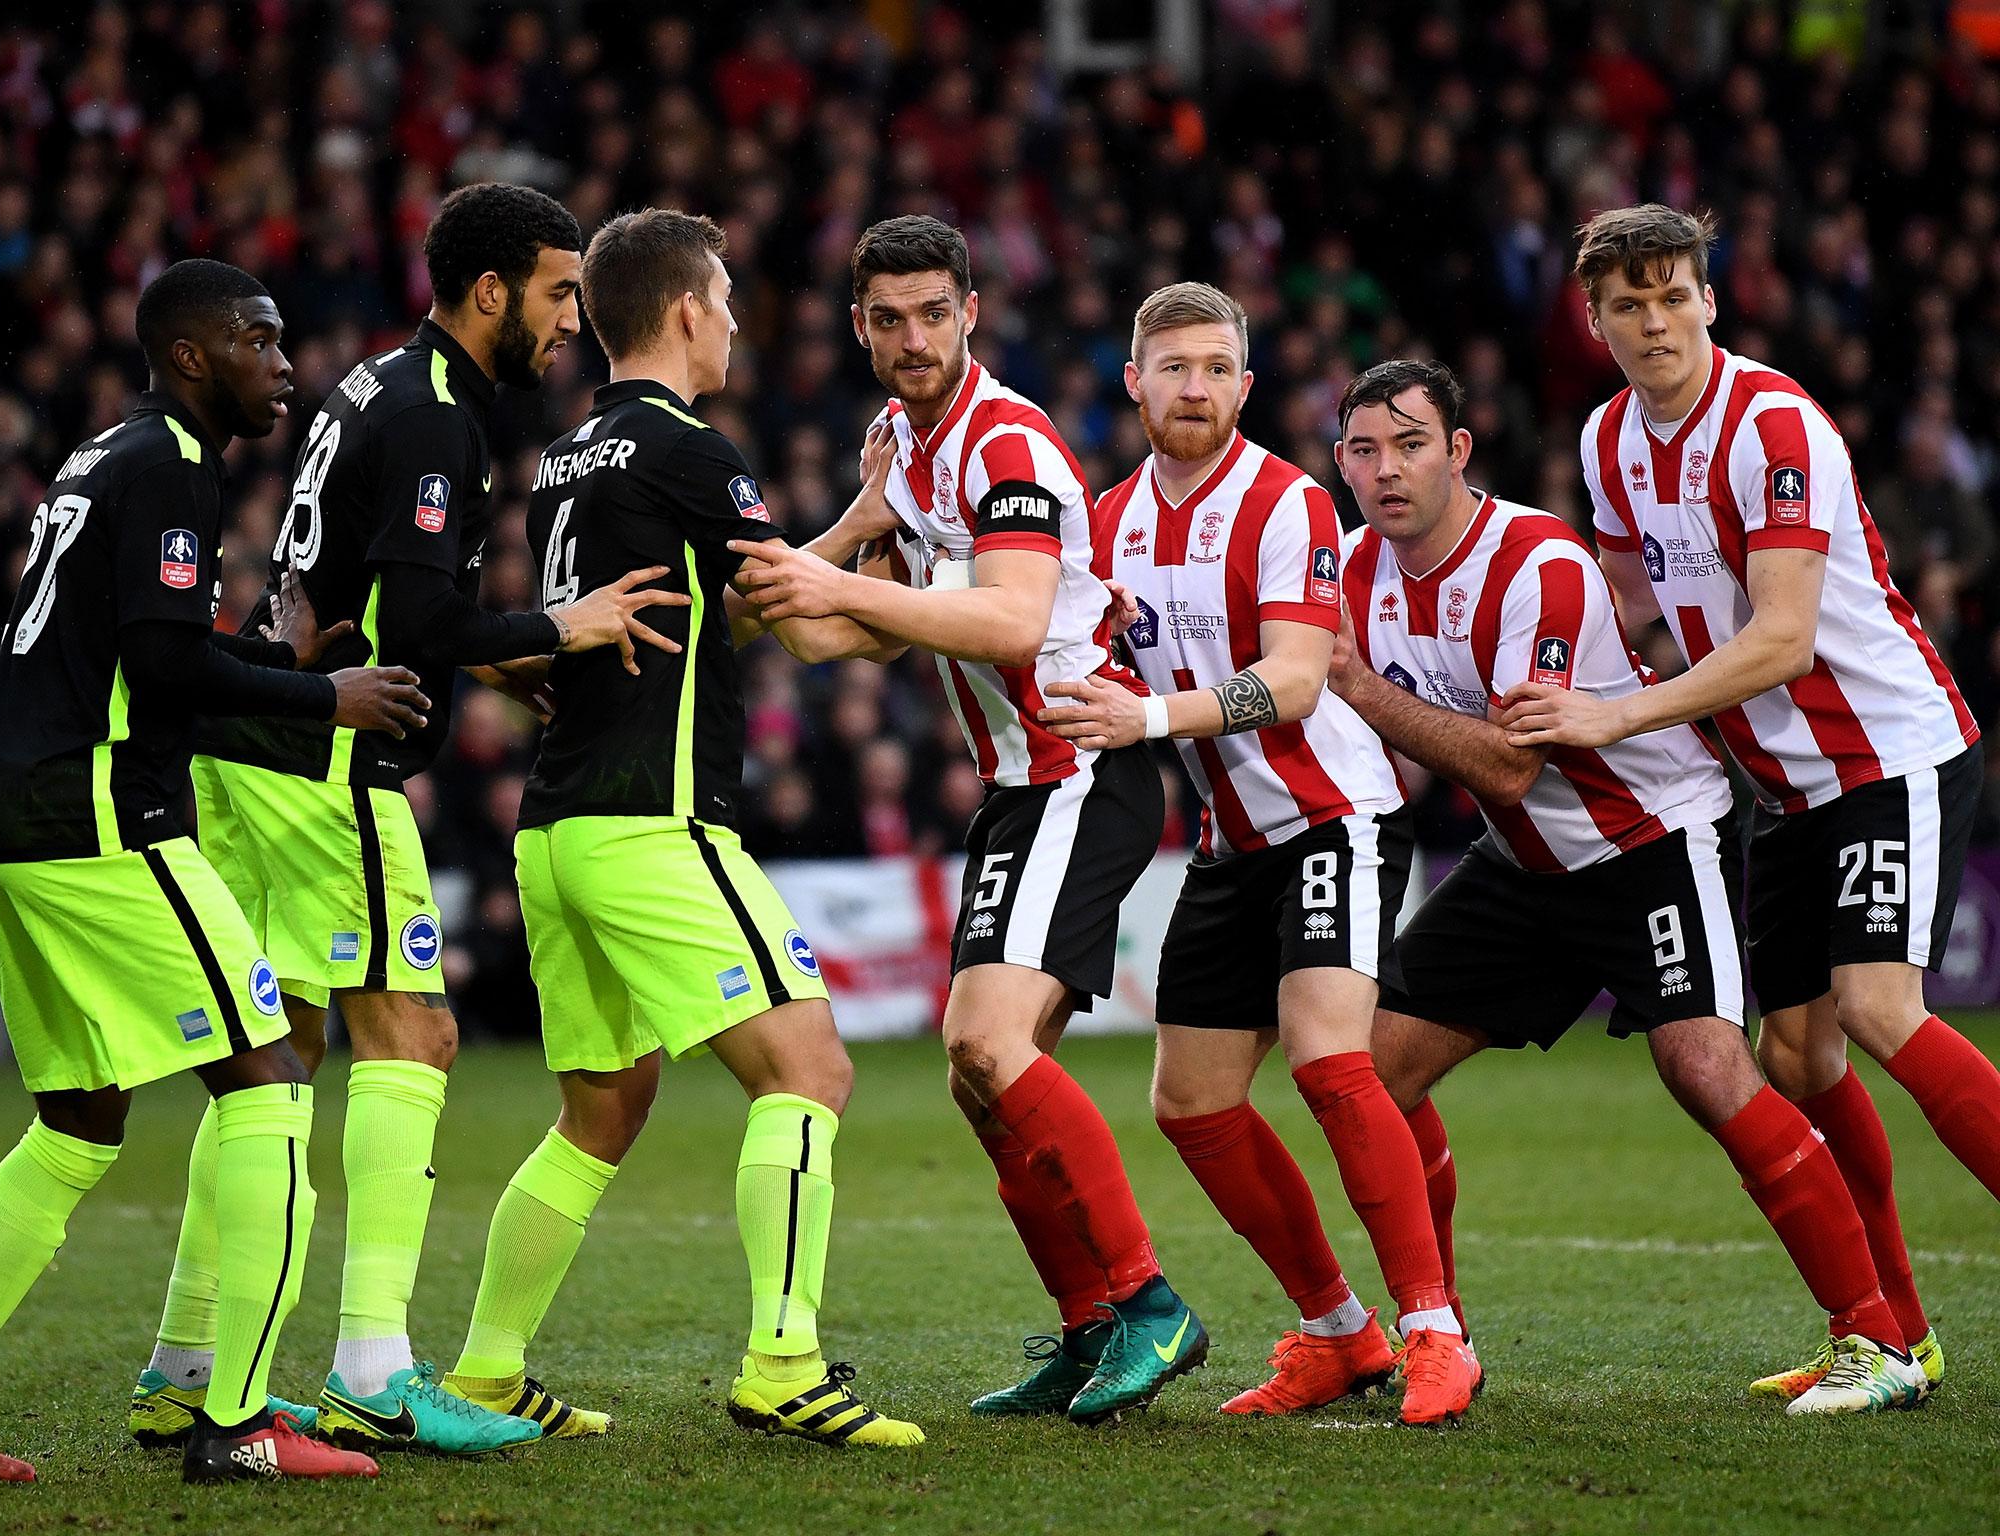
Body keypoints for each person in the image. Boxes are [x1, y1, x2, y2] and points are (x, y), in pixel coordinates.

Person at [126, 185, 684, 1456]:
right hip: (333, 766)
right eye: (554, 293)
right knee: (416, 1033)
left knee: (280, 1059)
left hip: (252, 755)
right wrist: (565, 626)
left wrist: (493, 663)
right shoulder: (441, 425)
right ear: (489, 293)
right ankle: (374, 1365)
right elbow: (417, 631)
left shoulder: (373, 387)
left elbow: (371, 596)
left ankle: (183, 1357)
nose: (568, 322)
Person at [1331, 358, 1927, 1417]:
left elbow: (1512, 762)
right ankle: (1438, 1336)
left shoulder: (1534, 560)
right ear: (1340, 462)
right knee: (1372, 1076)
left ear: (1457, 451)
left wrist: (1352, 684)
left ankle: (1873, 1339)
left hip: (1649, 836)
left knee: (1703, 1065)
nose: (1386, 471)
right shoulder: (1350, 573)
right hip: (1525, 863)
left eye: (1410, 443)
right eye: (1364, 450)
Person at [447, 206, 922, 1449]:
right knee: (809, 1070)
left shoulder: (573, 453)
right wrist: (962, 614)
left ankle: (489, 1370)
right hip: (653, 823)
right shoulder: (691, 449)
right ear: (684, 312)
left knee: (600, 1109)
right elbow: (805, 624)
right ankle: (784, 1361)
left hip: (555, 830)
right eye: (724, 298)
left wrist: (854, 527)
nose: (736, 322)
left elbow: (736, 608)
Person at [0, 259, 426, 1483]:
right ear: (192, 354)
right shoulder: (171, 460)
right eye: (261, 342)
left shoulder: (103, 455)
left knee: (78, 1120)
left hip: (14, 813)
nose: (284, 365)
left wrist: (280, 683)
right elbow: (160, 674)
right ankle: (236, 1422)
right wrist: (324, 697)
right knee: (266, 1080)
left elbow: (144, 654)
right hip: (103, 816)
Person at [731, 216, 1205, 1426]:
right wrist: (804, 570)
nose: (911, 339)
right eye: (886, 318)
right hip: (1016, 782)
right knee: (976, 1076)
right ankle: (1089, 1328)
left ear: (971, 312)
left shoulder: (1005, 442)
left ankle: (1148, 1306)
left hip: (1080, 765)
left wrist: (830, 582)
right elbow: (845, 625)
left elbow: (1006, 621)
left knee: (990, 1045)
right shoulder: (897, 442)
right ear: (857, 327)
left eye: (932, 313)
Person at [1507, 204, 1977, 1399]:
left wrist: (1616, 717)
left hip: (1886, 756)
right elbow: (1629, 609)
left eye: (1673, 294)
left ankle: (1892, 1340)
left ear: (1708, 298)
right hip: (1781, 791)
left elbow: (1777, 640)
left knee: (1877, 1010)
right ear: (1594, 320)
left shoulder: (1770, 421)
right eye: (1628, 303)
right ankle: (1895, 1341)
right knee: (1794, 1051)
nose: (1654, 320)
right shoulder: (1607, 439)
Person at [1037, 282, 1469, 1423]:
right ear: (1131, 382)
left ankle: (1434, 1332)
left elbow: (1293, 679)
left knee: (1331, 1058)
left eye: (1215, 368)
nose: (1194, 388)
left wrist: (1144, 718)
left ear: (1244, 383)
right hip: (1232, 843)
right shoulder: (1103, 519)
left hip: (1338, 817)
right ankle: (1338, 1332)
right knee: (1190, 1102)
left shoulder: (1285, 502)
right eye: (1171, 367)